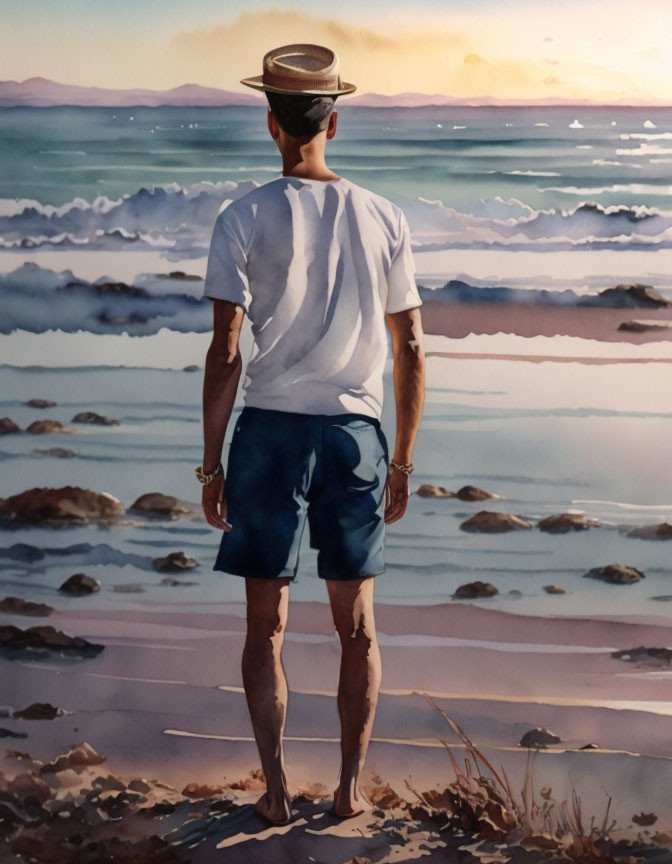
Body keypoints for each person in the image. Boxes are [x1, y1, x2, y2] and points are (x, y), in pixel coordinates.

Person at [196, 43, 425, 826]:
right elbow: (412, 349)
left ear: (271, 123)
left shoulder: (241, 215)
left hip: (267, 435)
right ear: (335, 121)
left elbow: (227, 350)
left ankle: (275, 788)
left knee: (267, 627)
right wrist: (402, 458)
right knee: (357, 625)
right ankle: (351, 789)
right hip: (356, 435)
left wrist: (209, 463)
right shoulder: (384, 216)